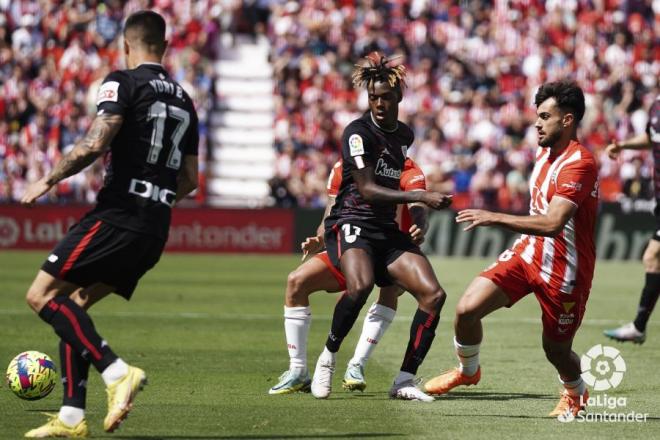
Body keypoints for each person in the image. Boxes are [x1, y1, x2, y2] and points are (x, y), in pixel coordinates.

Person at [20, 11, 199, 437]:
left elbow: (95, 143)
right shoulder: (185, 100)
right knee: (74, 306)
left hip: (119, 215)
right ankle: (70, 418)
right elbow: (190, 179)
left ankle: (116, 371)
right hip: (155, 226)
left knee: (41, 296)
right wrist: (156, 194)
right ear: (166, 46)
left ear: (125, 45)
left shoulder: (123, 81)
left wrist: (48, 178)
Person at [423, 80, 599, 419]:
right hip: (527, 254)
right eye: (538, 116)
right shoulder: (543, 152)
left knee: (556, 350)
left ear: (568, 120)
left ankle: (576, 390)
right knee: (466, 311)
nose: (537, 123)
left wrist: (494, 217)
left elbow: (552, 224)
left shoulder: (581, 163)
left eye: (546, 116)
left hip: (566, 271)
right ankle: (468, 370)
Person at [310, 52, 452, 402]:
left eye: (385, 97)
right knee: (360, 286)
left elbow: (397, 178)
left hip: (385, 230)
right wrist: (421, 196)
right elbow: (368, 189)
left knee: (434, 295)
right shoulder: (357, 133)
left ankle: (404, 380)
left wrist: (419, 215)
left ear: (399, 96)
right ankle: (327, 358)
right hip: (352, 222)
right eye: (372, 97)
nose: (378, 104)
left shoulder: (404, 134)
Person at [269, 157, 428, 395]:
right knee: (296, 281)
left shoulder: (407, 168)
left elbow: (419, 206)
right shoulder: (343, 166)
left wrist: (420, 226)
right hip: (352, 245)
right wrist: (320, 239)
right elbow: (330, 213)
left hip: (390, 250)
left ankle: (357, 364)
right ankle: (298, 370)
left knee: (390, 290)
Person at [603, 95, 660, 344]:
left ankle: (638, 326)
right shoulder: (656, 105)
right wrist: (623, 145)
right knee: (653, 258)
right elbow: (651, 138)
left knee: (652, 256)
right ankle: (638, 327)